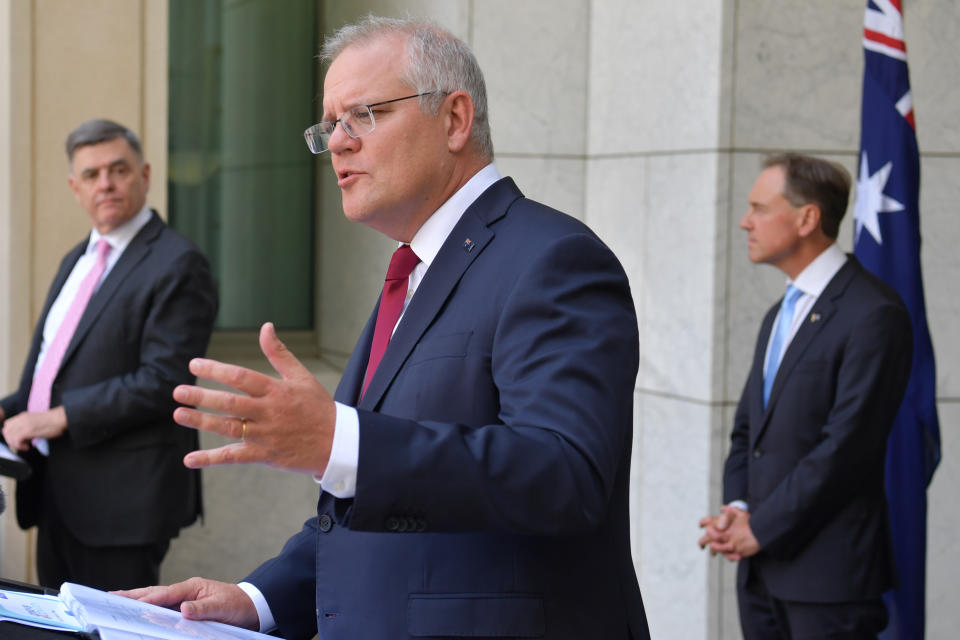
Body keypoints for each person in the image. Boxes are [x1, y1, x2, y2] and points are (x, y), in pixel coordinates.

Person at [118, 15, 651, 640]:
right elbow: (370, 511)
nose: (338, 143)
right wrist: (258, 598)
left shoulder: (552, 258)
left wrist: (343, 441)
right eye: (329, 126)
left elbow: (566, 475)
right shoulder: (416, 269)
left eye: (363, 116)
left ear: (455, 119)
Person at [698, 153, 913, 639]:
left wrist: (761, 526)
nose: (744, 221)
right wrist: (738, 507)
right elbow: (750, 430)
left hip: (829, 583)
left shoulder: (874, 313)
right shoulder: (781, 313)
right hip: (761, 571)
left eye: (759, 207)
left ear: (807, 217)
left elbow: (846, 448)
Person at [0, 119, 218, 590]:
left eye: (118, 170)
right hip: (53, 491)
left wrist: (55, 418)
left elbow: (164, 381)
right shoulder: (76, 259)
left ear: (144, 175)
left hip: (122, 507)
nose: (106, 184)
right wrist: (11, 408)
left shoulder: (179, 263)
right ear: (75, 187)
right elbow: (53, 370)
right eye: (92, 174)